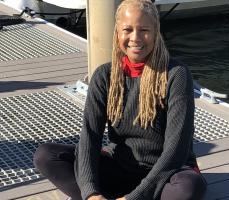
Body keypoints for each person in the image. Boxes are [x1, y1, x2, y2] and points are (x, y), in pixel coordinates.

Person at [33, 0, 207, 200]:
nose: (135, 38)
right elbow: (90, 137)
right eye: (128, 29)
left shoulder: (177, 74)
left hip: (167, 173)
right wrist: (90, 192)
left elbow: (177, 149)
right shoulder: (104, 75)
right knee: (46, 155)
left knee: (188, 188)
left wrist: (134, 197)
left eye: (144, 30)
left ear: (156, 32)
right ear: (117, 33)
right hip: (121, 167)